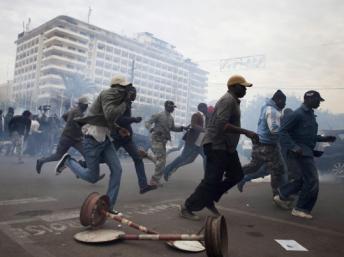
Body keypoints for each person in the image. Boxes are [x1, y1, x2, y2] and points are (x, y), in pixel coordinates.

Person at [180, 75, 258, 220]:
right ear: (233, 87)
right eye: (243, 87)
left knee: (237, 175)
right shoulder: (227, 100)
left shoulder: (233, 101)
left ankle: (209, 198)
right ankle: (187, 206)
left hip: (227, 147)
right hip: (216, 145)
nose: (245, 90)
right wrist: (246, 132)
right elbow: (222, 125)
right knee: (211, 180)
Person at [54, 75, 131, 214]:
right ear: (116, 87)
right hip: (92, 139)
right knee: (92, 177)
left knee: (117, 170)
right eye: (123, 88)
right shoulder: (108, 94)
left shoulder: (115, 98)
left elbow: (105, 120)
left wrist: (118, 129)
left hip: (105, 139)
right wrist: (125, 103)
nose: (125, 91)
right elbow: (109, 115)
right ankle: (69, 161)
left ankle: (109, 206)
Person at [273, 91, 336, 219]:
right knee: (312, 180)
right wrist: (294, 147)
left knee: (304, 179)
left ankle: (282, 194)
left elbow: (307, 135)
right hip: (301, 152)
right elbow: (282, 132)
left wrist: (323, 139)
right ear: (309, 99)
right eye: (318, 100)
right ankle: (300, 208)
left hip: (306, 151)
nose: (319, 103)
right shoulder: (297, 114)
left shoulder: (310, 115)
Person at [237, 90, 287, 196]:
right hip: (268, 145)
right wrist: (285, 131)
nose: (284, 104)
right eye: (284, 102)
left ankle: (234, 175)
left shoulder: (266, 107)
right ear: (278, 100)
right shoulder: (272, 111)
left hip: (260, 142)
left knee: (255, 166)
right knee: (277, 170)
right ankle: (278, 195)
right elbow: (274, 129)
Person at [111, 86, 157, 194]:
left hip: (126, 138)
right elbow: (119, 119)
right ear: (128, 93)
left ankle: (143, 186)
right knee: (104, 157)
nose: (135, 96)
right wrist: (134, 119)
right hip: (120, 136)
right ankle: (84, 164)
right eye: (133, 93)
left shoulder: (127, 103)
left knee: (138, 159)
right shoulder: (122, 104)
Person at [36, 96, 90, 174]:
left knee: (58, 156)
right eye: (86, 105)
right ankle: (41, 161)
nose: (87, 106)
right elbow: (78, 124)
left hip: (72, 137)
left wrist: (69, 124)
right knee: (85, 154)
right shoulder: (78, 113)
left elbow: (64, 116)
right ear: (81, 105)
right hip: (70, 138)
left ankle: (82, 169)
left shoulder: (72, 110)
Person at [145, 100, 188, 186]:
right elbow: (147, 122)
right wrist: (150, 128)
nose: (173, 108)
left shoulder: (171, 118)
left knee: (161, 161)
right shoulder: (159, 115)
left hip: (163, 142)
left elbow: (172, 128)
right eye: (171, 107)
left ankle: (147, 156)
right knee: (161, 160)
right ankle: (154, 179)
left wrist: (182, 128)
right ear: (166, 107)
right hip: (156, 140)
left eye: (173, 107)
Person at [163, 103, 208, 181]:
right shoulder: (196, 115)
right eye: (205, 108)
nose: (207, 109)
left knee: (205, 157)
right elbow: (193, 125)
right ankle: (167, 170)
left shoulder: (205, 117)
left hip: (200, 142)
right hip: (192, 141)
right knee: (183, 157)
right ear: (202, 108)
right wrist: (204, 130)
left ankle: (207, 178)